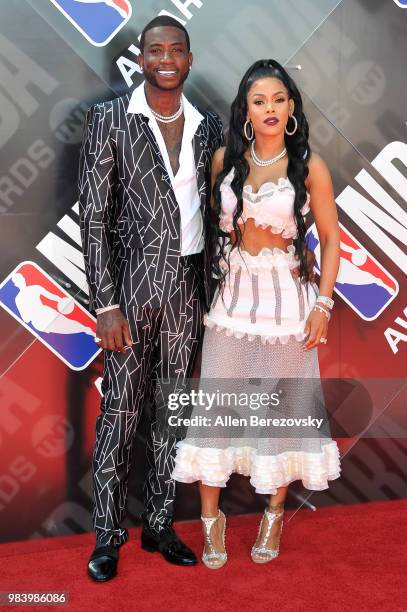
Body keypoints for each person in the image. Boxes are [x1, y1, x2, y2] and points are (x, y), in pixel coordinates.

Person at [172, 59, 342, 568]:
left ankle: (273, 513)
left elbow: (331, 239)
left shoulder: (309, 164)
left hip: (289, 309)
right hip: (230, 307)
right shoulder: (225, 158)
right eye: (259, 101)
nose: (270, 108)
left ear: (291, 108)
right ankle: (210, 519)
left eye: (278, 99)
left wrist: (324, 304)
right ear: (246, 111)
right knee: (216, 413)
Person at [78, 16, 224, 581]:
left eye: (176, 49)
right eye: (155, 50)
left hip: (189, 287)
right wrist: (105, 303)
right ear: (141, 60)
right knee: (119, 413)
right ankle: (108, 537)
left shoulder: (208, 127)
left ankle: (160, 525)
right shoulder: (109, 120)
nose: (166, 58)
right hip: (132, 289)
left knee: (171, 411)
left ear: (189, 59)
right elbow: (94, 218)